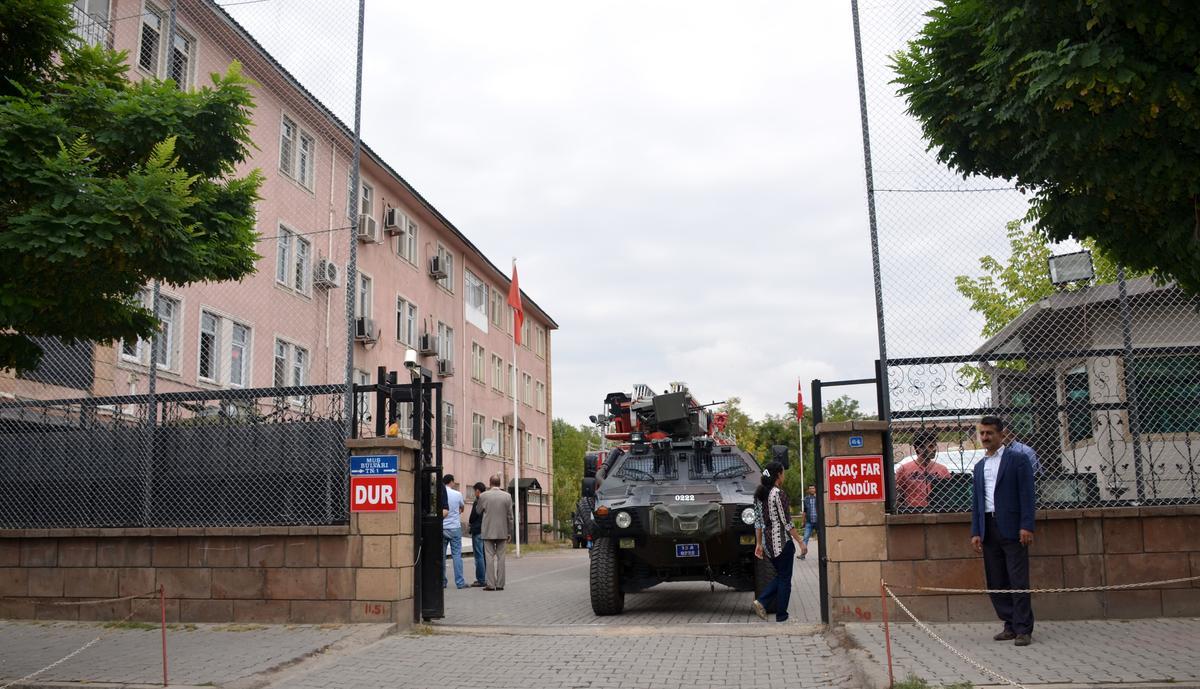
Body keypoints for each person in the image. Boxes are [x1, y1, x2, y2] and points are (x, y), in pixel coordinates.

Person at [971, 415, 1037, 646]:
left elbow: (1027, 496)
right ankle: (1008, 624)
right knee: (996, 580)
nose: (986, 437)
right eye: (982, 433)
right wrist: (976, 531)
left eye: (990, 433)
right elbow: (977, 502)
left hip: (1013, 528)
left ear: (1001, 434)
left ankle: (1023, 629)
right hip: (988, 528)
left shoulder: (1017, 460)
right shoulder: (979, 466)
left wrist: (1026, 525)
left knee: (1017, 579)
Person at [751, 462, 803, 622]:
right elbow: (787, 522)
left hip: (768, 544)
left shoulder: (759, 495)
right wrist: (801, 542)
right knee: (785, 579)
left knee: (781, 576)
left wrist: (759, 544)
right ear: (778, 475)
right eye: (783, 473)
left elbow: (758, 522)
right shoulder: (778, 494)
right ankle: (781, 615)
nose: (784, 476)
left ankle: (762, 602)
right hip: (782, 543)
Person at [475, 473, 514, 591]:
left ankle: (491, 584)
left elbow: (478, 511)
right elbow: (510, 516)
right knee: (501, 558)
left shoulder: (484, 496)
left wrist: (479, 500)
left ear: (490, 483)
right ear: (500, 483)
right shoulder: (507, 496)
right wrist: (509, 531)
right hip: (503, 531)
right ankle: (500, 584)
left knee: (489, 557)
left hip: (488, 531)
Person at [896, 430, 951, 509]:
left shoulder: (942, 469)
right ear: (919, 448)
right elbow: (896, 495)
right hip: (913, 512)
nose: (935, 449)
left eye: (935, 446)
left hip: (938, 511)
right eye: (931, 446)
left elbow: (949, 494)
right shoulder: (904, 469)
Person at [442, 474, 468, 590]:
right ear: (451, 482)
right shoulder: (457, 494)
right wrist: (457, 512)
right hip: (455, 528)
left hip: (442, 528)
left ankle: (442, 582)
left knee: (441, 556)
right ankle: (460, 582)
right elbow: (462, 508)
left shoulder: (440, 493)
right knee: (457, 555)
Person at [468, 481, 487, 587]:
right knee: (484, 555)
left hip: (478, 530)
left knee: (479, 555)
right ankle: (485, 577)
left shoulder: (478, 501)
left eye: (474, 491)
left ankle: (481, 579)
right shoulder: (488, 500)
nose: (474, 493)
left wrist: (471, 523)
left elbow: (472, 517)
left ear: (478, 491)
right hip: (486, 530)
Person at [800, 485, 819, 559]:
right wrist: (803, 521)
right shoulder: (806, 499)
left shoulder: (819, 498)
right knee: (805, 538)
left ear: (815, 489)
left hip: (818, 522)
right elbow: (804, 511)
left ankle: (822, 554)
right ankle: (803, 554)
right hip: (809, 522)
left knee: (821, 539)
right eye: (810, 488)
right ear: (808, 490)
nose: (811, 489)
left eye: (813, 488)